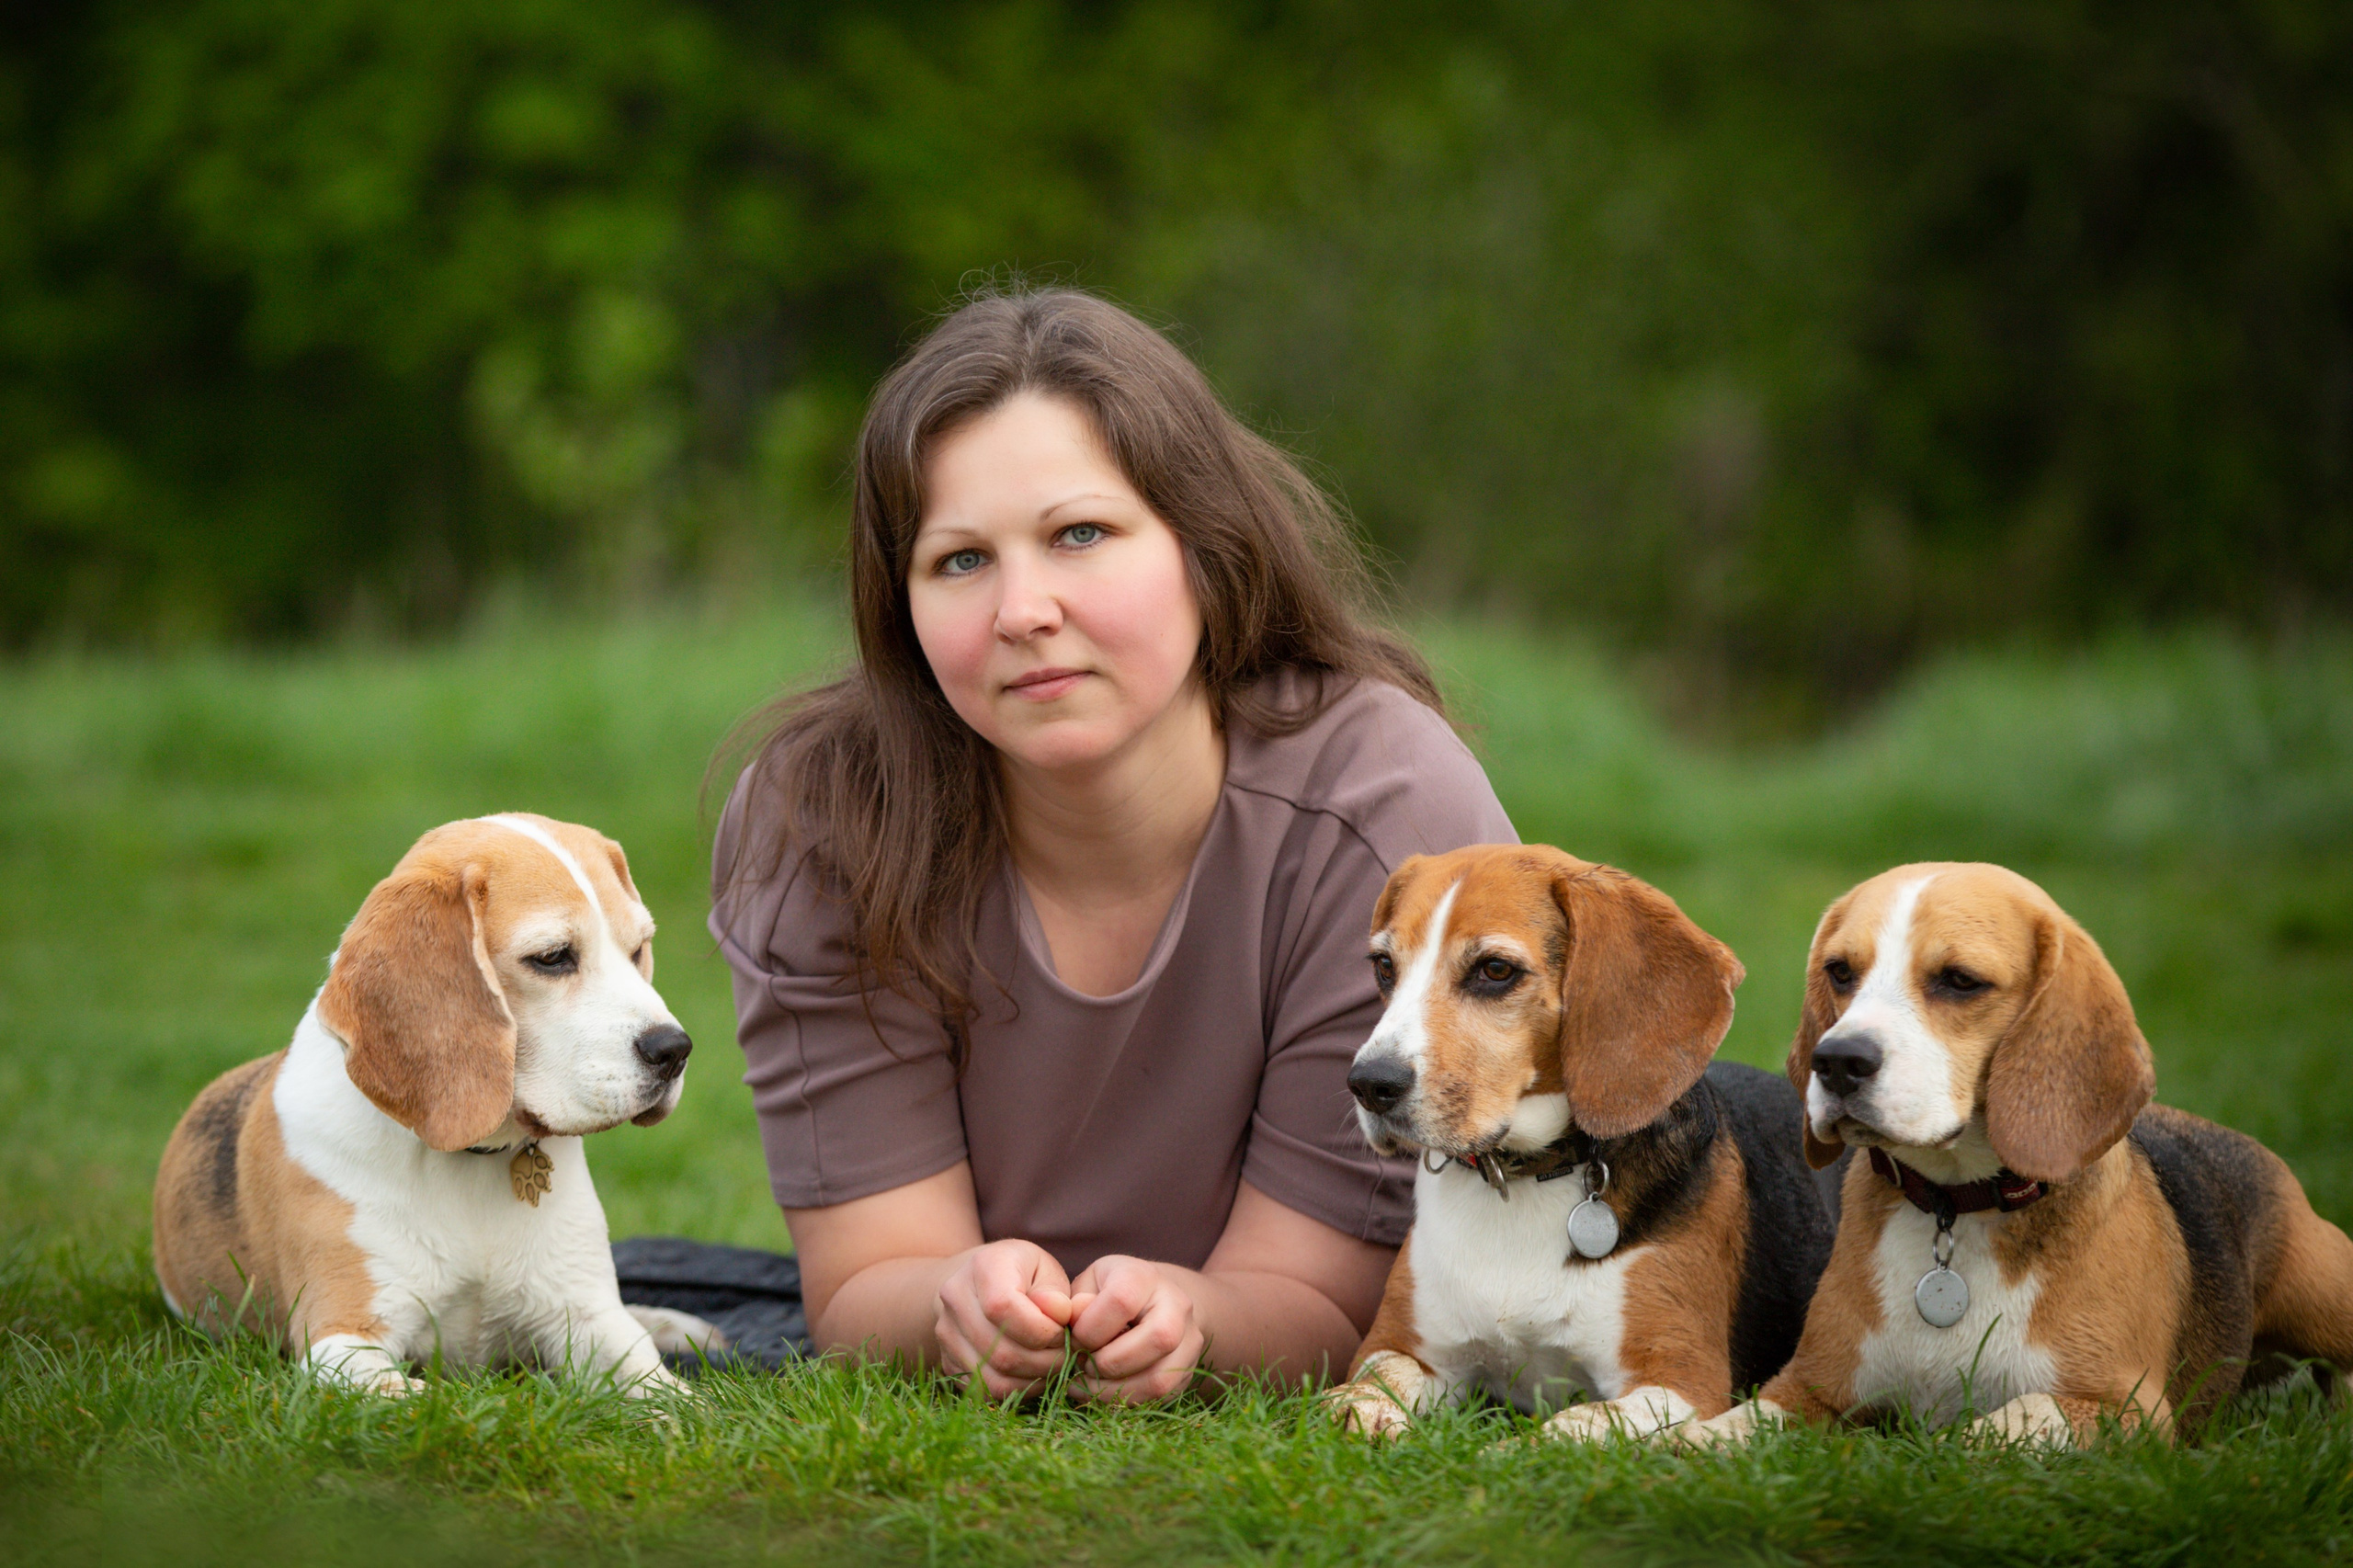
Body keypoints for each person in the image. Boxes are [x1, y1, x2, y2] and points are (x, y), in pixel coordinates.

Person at [710, 286, 1515, 1403]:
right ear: (898, 604)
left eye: (1079, 534)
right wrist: (952, 1302)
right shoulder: (822, 821)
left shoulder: (1386, 810)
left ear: (1202, 542)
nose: (1021, 609)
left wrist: (1202, 1322)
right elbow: (860, 1286)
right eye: (958, 560)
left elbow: (1333, 1303)